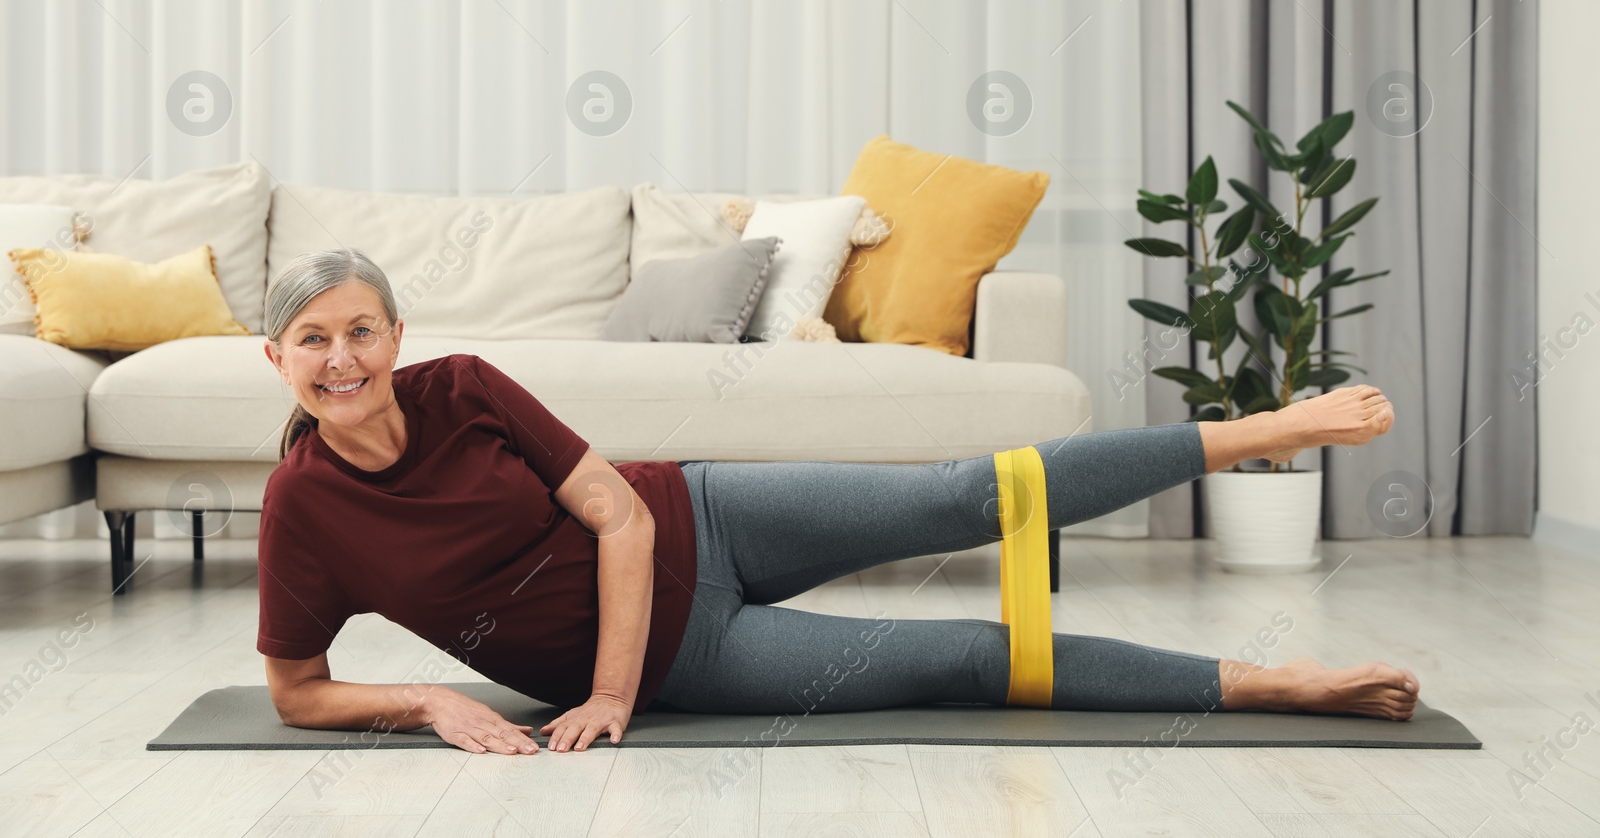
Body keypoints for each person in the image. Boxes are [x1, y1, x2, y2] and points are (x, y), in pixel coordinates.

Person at [259, 248, 1415, 757]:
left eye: (363, 328)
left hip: (699, 515)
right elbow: (298, 689)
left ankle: (1262, 428)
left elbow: (616, 513)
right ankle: (1271, 681)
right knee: (970, 656)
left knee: (973, 491)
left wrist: (606, 692)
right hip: (690, 652)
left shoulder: (461, 385)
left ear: (397, 335)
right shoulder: (302, 510)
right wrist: (425, 703)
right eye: (315, 339)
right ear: (278, 361)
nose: (344, 356)